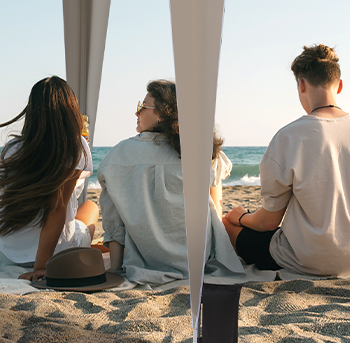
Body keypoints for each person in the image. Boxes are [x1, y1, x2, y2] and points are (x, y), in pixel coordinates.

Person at [222, 44, 350, 276]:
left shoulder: (290, 136)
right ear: (340, 85)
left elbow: (267, 224)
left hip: (313, 260)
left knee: (229, 226)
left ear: (301, 84)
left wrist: (241, 217)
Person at [97, 80, 264, 285]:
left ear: (161, 114)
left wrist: (115, 270)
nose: (136, 113)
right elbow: (215, 208)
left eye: (142, 106)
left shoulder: (116, 156)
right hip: (196, 259)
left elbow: (114, 224)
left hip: (148, 261)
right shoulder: (200, 150)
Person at [0, 76, 100, 282]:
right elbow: (56, 209)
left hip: (6, 252)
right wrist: (41, 266)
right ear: (71, 111)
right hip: (51, 256)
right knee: (91, 207)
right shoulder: (75, 147)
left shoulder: (13, 149)